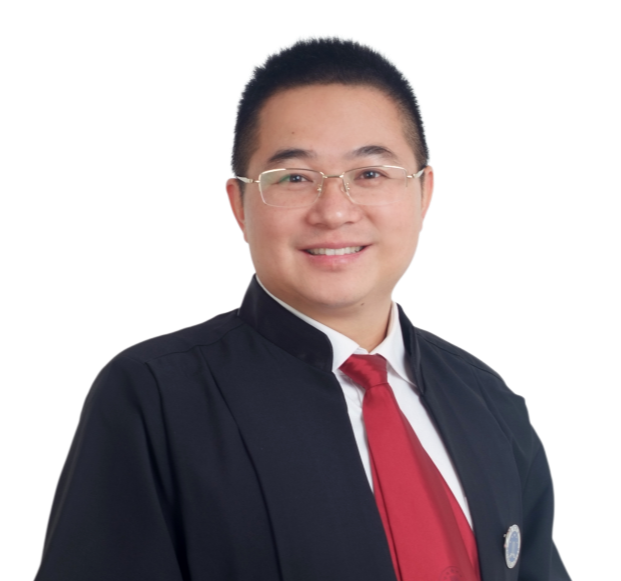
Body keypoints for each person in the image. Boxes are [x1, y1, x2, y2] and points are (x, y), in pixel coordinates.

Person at [34, 34, 571, 580]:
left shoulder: (489, 401)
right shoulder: (152, 397)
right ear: (239, 204)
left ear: (424, 192)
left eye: (370, 174)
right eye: (294, 178)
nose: (334, 212)